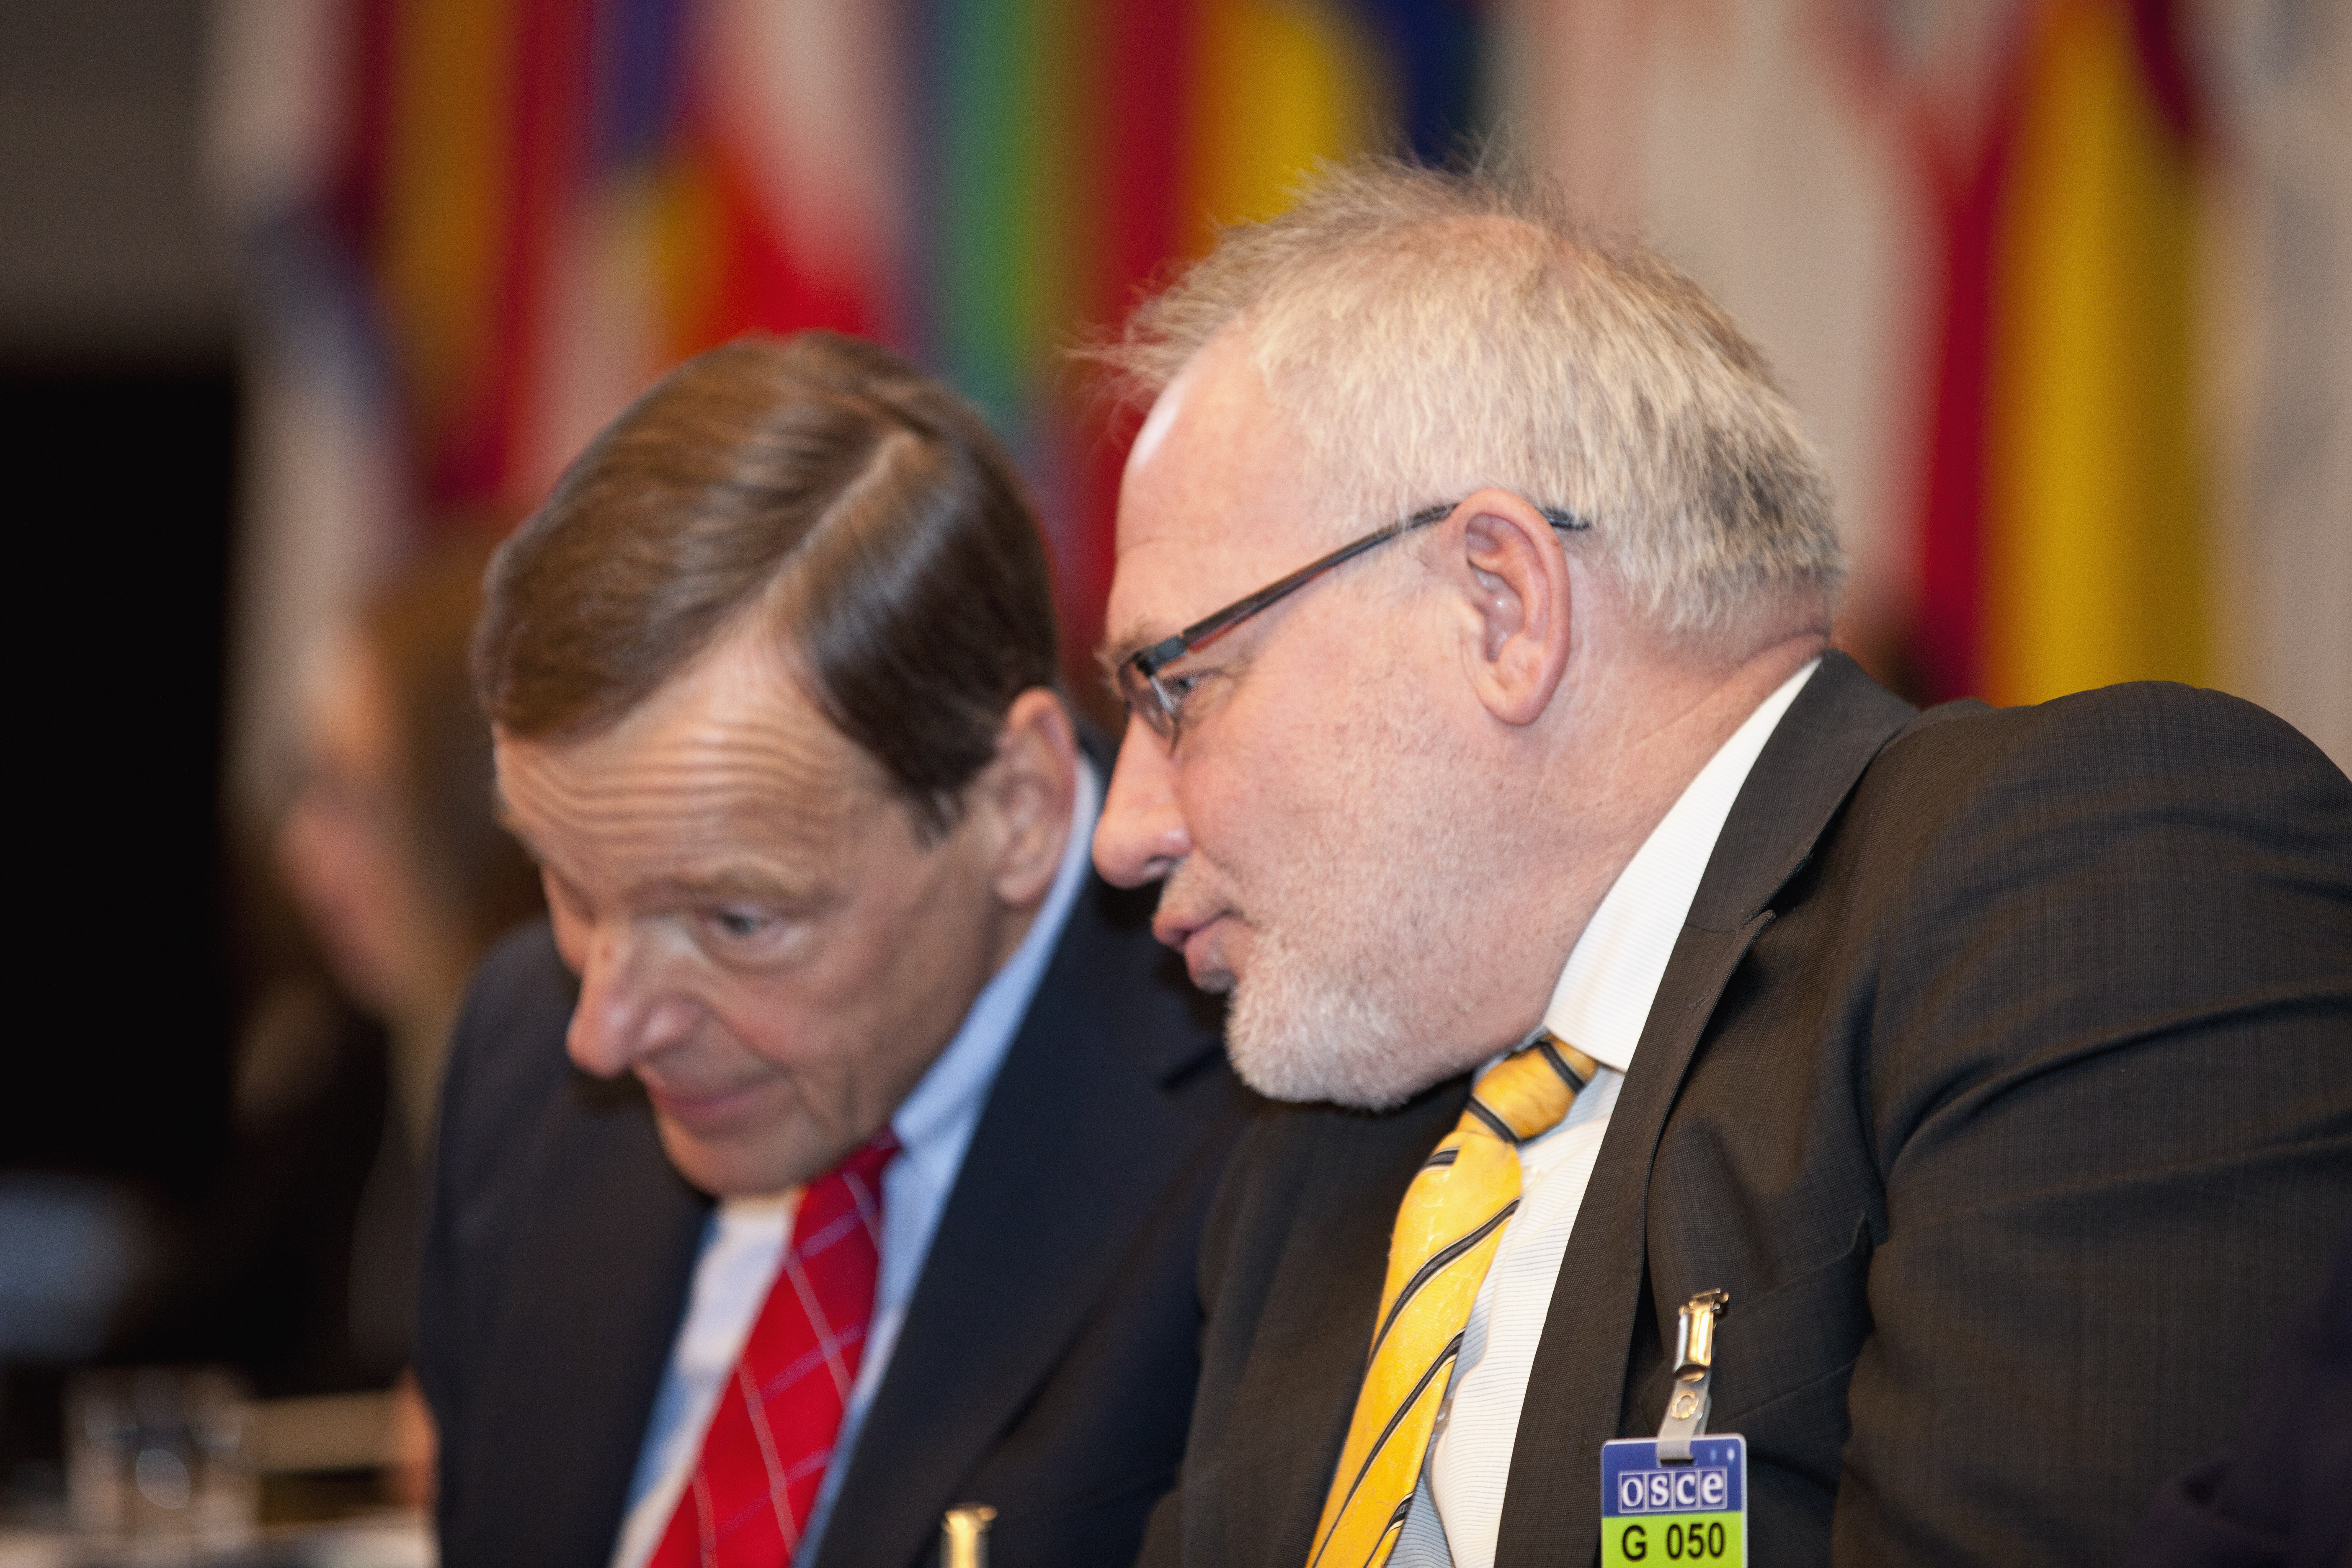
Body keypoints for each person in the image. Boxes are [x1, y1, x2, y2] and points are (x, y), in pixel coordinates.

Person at [1083, 159, 2352, 1568]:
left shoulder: (2085, 883)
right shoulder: (1318, 1168)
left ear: (1500, 607)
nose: (1123, 831)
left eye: (1175, 688)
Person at [417, 333, 1245, 1568]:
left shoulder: (1269, 1113)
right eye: (574, 890)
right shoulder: (519, 1052)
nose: (605, 1030)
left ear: (1016, 811)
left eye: (736, 922)